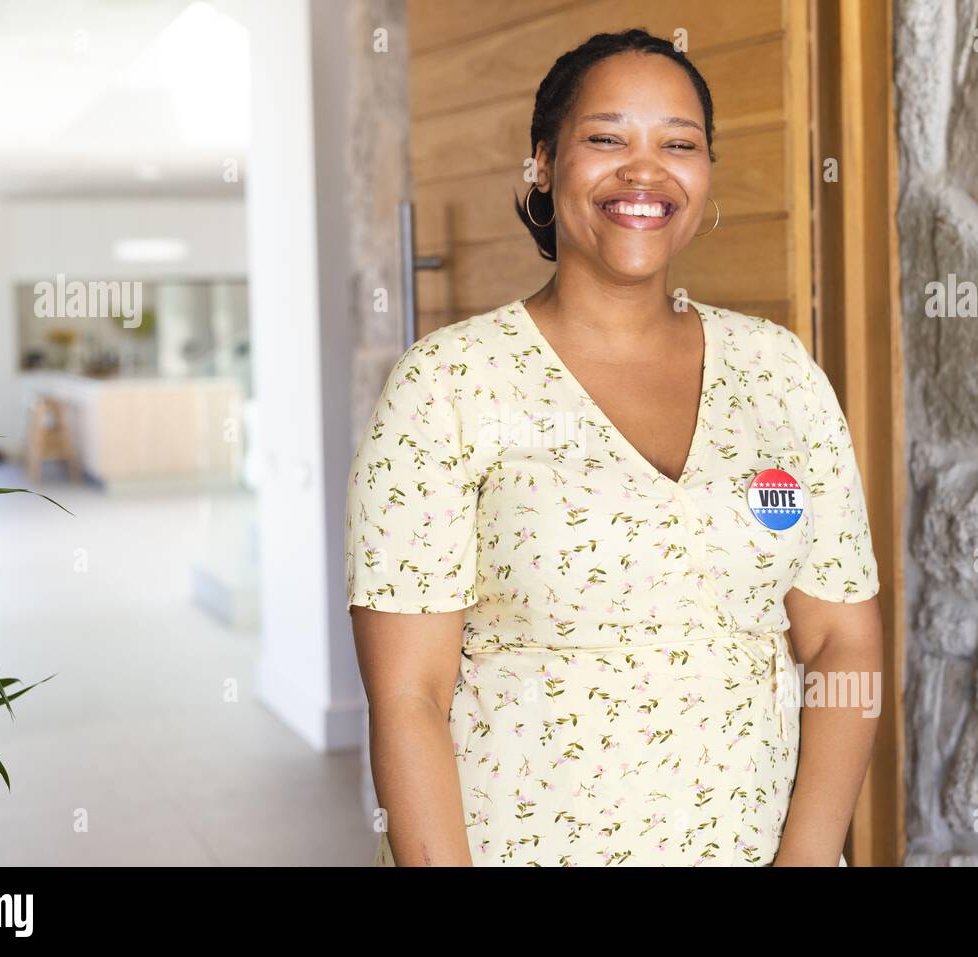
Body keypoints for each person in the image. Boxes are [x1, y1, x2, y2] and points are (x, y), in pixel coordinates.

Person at [346, 27, 882, 867]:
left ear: (704, 178)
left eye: (679, 143)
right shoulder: (449, 383)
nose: (645, 171)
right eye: (606, 139)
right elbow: (408, 696)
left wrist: (811, 856)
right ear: (542, 164)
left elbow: (841, 642)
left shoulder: (777, 370)